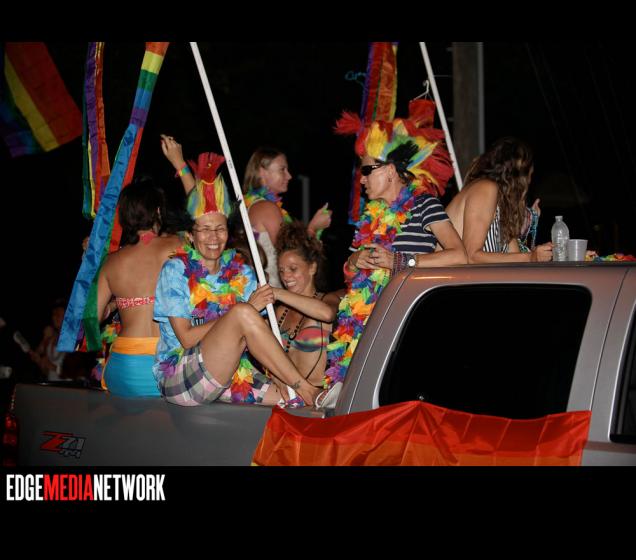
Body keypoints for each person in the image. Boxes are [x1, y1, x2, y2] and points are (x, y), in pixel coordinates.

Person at [153, 152, 327, 408]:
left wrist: (278, 374)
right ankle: (307, 388)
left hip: (231, 372)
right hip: (181, 377)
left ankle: (302, 391)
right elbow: (187, 339)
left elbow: (257, 331)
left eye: (220, 228)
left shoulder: (242, 273)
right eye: (205, 229)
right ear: (190, 235)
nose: (214, 237)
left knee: (291, 399)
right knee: (242, 312)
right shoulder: (175, 271)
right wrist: (242, 312)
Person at [324, 99, 466, 388]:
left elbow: (459, 255)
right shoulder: (369, 217)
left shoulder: (425, 204)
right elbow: (348, 274)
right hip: (366, 325)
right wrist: (354, 261)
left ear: (390, 171)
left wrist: (400, 262)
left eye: (366, 170)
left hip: (405, 324)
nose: (361, 180)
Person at [96, 178, 183, 397]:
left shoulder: (111, 262)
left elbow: (94, 317)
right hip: (165, 365)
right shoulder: (177, 246)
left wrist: (116, 304)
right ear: (158, 211)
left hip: (122, 365)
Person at [444, 137, 553, 263]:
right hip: (450, 275)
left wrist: (537, 251)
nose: (529, 182)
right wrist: (530, 257)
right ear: (519, 177)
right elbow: (471, 256)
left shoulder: (502, 208)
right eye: (530, 175)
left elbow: (517, 259)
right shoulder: (485, 189)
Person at [267, 220, 339, 389]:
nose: (286, 277)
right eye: (282, 271)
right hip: (282, 395)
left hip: (316, 397)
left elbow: (327, 314)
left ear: (312, 268)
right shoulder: (280, 312)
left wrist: (277, 293)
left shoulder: (328, 299)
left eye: (293, 269)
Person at [28, 299, 67, 381]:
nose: (54, 317)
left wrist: (52, 366)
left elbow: (76, 373)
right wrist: (39, 361)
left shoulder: (76, 340)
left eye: (58, 314)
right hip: (50, 386)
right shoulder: (50, 338)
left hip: (67, 388)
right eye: (53, 314)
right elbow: (47, 372)